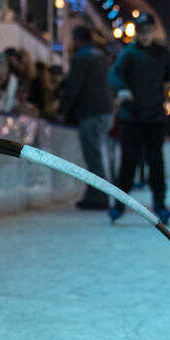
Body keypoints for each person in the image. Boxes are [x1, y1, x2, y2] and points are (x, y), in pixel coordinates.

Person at [106, 13, 170, 222]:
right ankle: (119, 204)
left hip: (155, 118)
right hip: (131, 117)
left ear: (153, 32)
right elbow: (114, 74)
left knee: (156, 162)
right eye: (142, 31)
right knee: (128, 163)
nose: (146, 35)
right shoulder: (129, 53)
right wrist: (122, 88)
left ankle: (160, 204)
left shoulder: (162, 54)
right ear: (137, 32)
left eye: (149, 31)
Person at [59, 25, 116, 210]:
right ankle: (96, 193)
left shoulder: (82, 57)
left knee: (93, 155)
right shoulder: (100, 56)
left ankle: (98, 195)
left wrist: (63, 110)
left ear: (76, 39)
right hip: (106, 111)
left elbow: (74, 86)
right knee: (98, 154)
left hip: (91, 112)